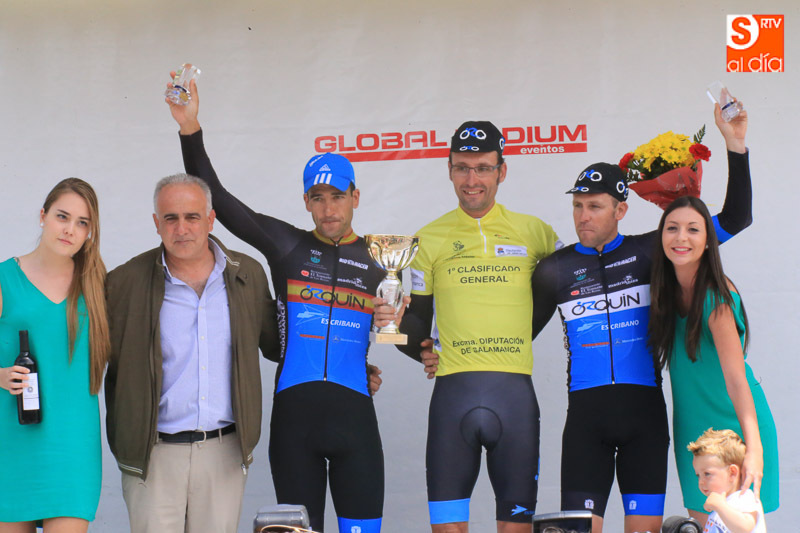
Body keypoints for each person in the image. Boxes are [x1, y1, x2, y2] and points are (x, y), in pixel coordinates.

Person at [166, 75, 399, 533]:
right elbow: (222, 201)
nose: (329, 208)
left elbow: (416, 333)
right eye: (318, 198)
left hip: (356, 422)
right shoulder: (287, 246)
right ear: (306, 202)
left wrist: (416, 336)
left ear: (355, 197)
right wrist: (189, 129)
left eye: (337, 197)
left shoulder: (381, 260)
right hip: (295, 423)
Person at [530, 105, 753, 533]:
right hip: (585, 422)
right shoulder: (553, 270)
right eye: (577, 206)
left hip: (644, 419)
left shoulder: (653, 251)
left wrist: (735, 147)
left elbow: (735, 219)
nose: (583, 216)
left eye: (595, 206)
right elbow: (516, 336)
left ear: (621, 210)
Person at [398, 121, 561, 533]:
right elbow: (417, 316)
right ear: (449, 169)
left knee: (516, 529)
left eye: (483, 168)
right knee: (448, 528)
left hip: (515, 399)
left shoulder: (535, 232)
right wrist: (416, 345)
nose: (472, 180)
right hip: (454, 395)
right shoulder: (428, 239)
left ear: (502, 171)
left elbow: (577, 277)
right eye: (462, 168)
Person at [104, 174, 279, 533]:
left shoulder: (247, 274)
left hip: (224, 452)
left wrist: (354, 364)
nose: (181, 228)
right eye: (170, 218)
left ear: (211, 219)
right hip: (152, 455)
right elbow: (84, 353)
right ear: (157, 224)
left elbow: (280, 345)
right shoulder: (124, 282)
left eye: (192, 217)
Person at [649, 195, 778, 524]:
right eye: (672, 228)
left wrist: (754, 450)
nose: (681, 238)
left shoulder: (716, 298)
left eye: (693, 229)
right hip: (693, 432)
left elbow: (737, 381)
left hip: (734, 433)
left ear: (709, 241)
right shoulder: (664, 291)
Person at [0, 178, 109, 533]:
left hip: (73, 443)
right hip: (11, 443)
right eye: (63, 216)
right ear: (43, 216)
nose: (70, 230)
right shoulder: (5, 278)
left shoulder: (97, 282)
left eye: (83, 223)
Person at [688, 428, 766, 533]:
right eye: (698, 475)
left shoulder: (744, 497)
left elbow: (745, 528)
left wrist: (720, 506)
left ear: (732, 472)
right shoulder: (723, 505)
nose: (701, 482)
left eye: (707, 474)